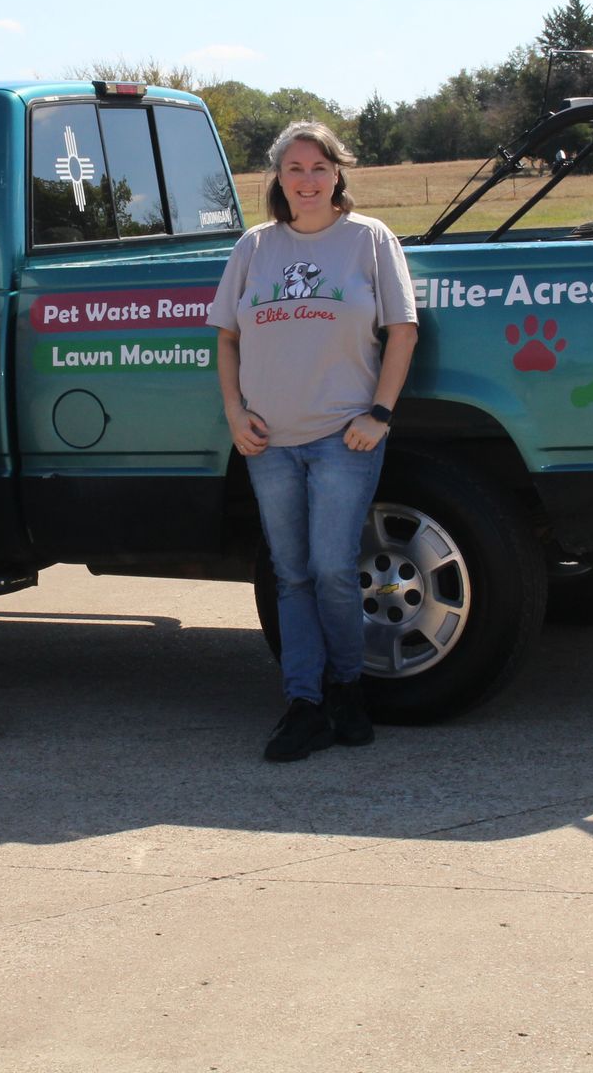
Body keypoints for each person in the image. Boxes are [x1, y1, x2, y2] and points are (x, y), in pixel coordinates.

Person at [208, 121, 418, 761]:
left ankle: (347, 690)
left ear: (338, 174)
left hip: (342, 440)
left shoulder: (369, 240)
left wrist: (379, 413)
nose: (307, 180)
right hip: (268, 442)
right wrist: (234, 414)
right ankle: (304, 703)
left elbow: (402, 331)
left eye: (319, 168)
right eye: (294, 169)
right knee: (290, 575)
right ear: (279, 178)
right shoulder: (254, 246)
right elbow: (226, 337)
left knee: (330, 571)